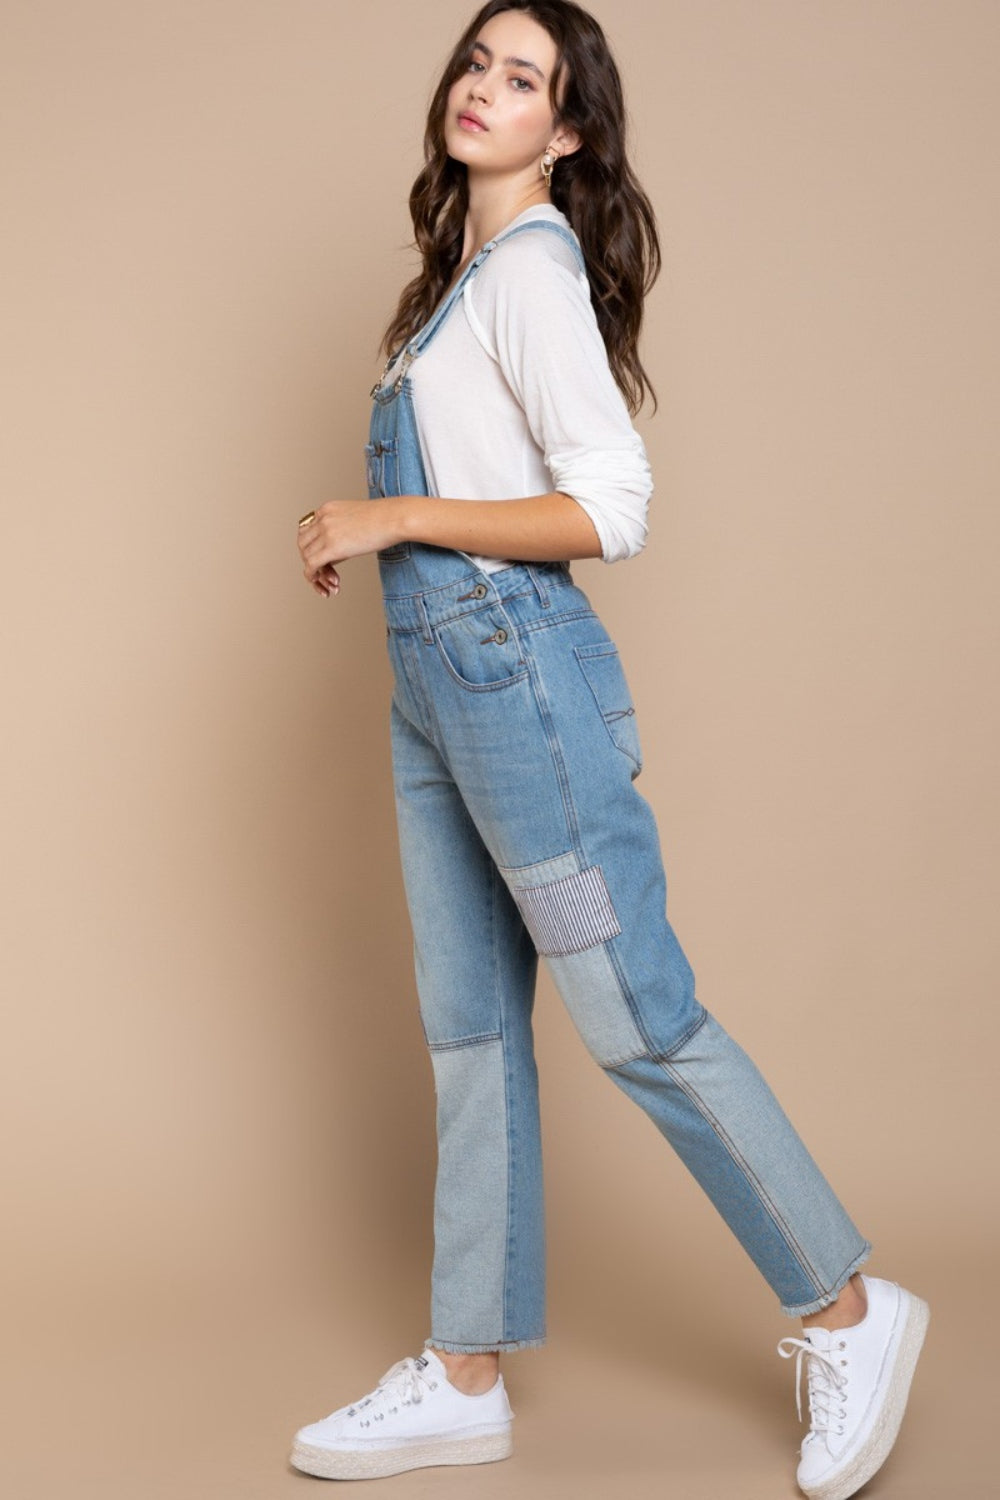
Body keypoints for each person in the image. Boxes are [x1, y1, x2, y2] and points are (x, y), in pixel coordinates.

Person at [289, 3, 928, 1494]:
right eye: (477, 63)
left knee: (640, 1018)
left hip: (524, 706)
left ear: (565, 134)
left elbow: (615, 505)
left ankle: (846, 1307)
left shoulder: (529, 274)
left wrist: (391, 514)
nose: (486, 90)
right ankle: (464, 1370)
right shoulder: (455, 284)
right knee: (467, 1034)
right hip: (438, 705)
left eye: (526, 81)